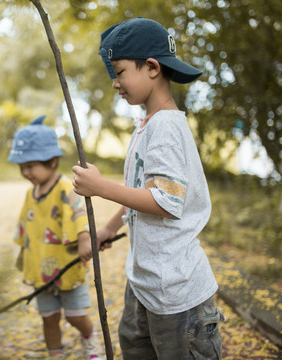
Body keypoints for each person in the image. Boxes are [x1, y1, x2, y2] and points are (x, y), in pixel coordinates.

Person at [72, 18, 224, 359]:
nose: (115, 83)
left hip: (176, 292)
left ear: (152, 67)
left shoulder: (166, 127)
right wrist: (108, 228)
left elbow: (165, 201)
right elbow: (141, 192)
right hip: (145, 282)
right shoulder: (148, 125)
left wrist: (100, 187)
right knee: (136, 347)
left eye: (120, 71)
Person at [9, 115, 102, 360]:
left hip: (66, 267)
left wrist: (84, 238)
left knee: (74, 315)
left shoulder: (64, 188)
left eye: (30, 166)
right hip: (41, 270)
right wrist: (22, 253)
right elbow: (26, 224)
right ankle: (55, 354)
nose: (26, 172)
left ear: (51, 161)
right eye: (22, 167)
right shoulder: (32, 193)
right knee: (48, 318)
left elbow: (79, 211)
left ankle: (90, 337)